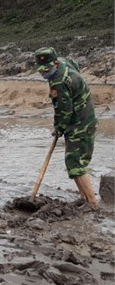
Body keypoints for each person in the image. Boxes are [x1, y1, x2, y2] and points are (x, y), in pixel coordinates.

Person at [35, 47, 99, 208]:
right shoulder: (64, 62)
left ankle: (92, 203)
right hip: (85, 116)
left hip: (80, 124)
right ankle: (84, 198)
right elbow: (75, 64)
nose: (44, 74)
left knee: (75, 164)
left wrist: (58, 129)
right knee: (73, 161)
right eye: (41, 70)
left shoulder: (59, 82)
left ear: (55, 63)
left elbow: (64, 111)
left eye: (47, 70)